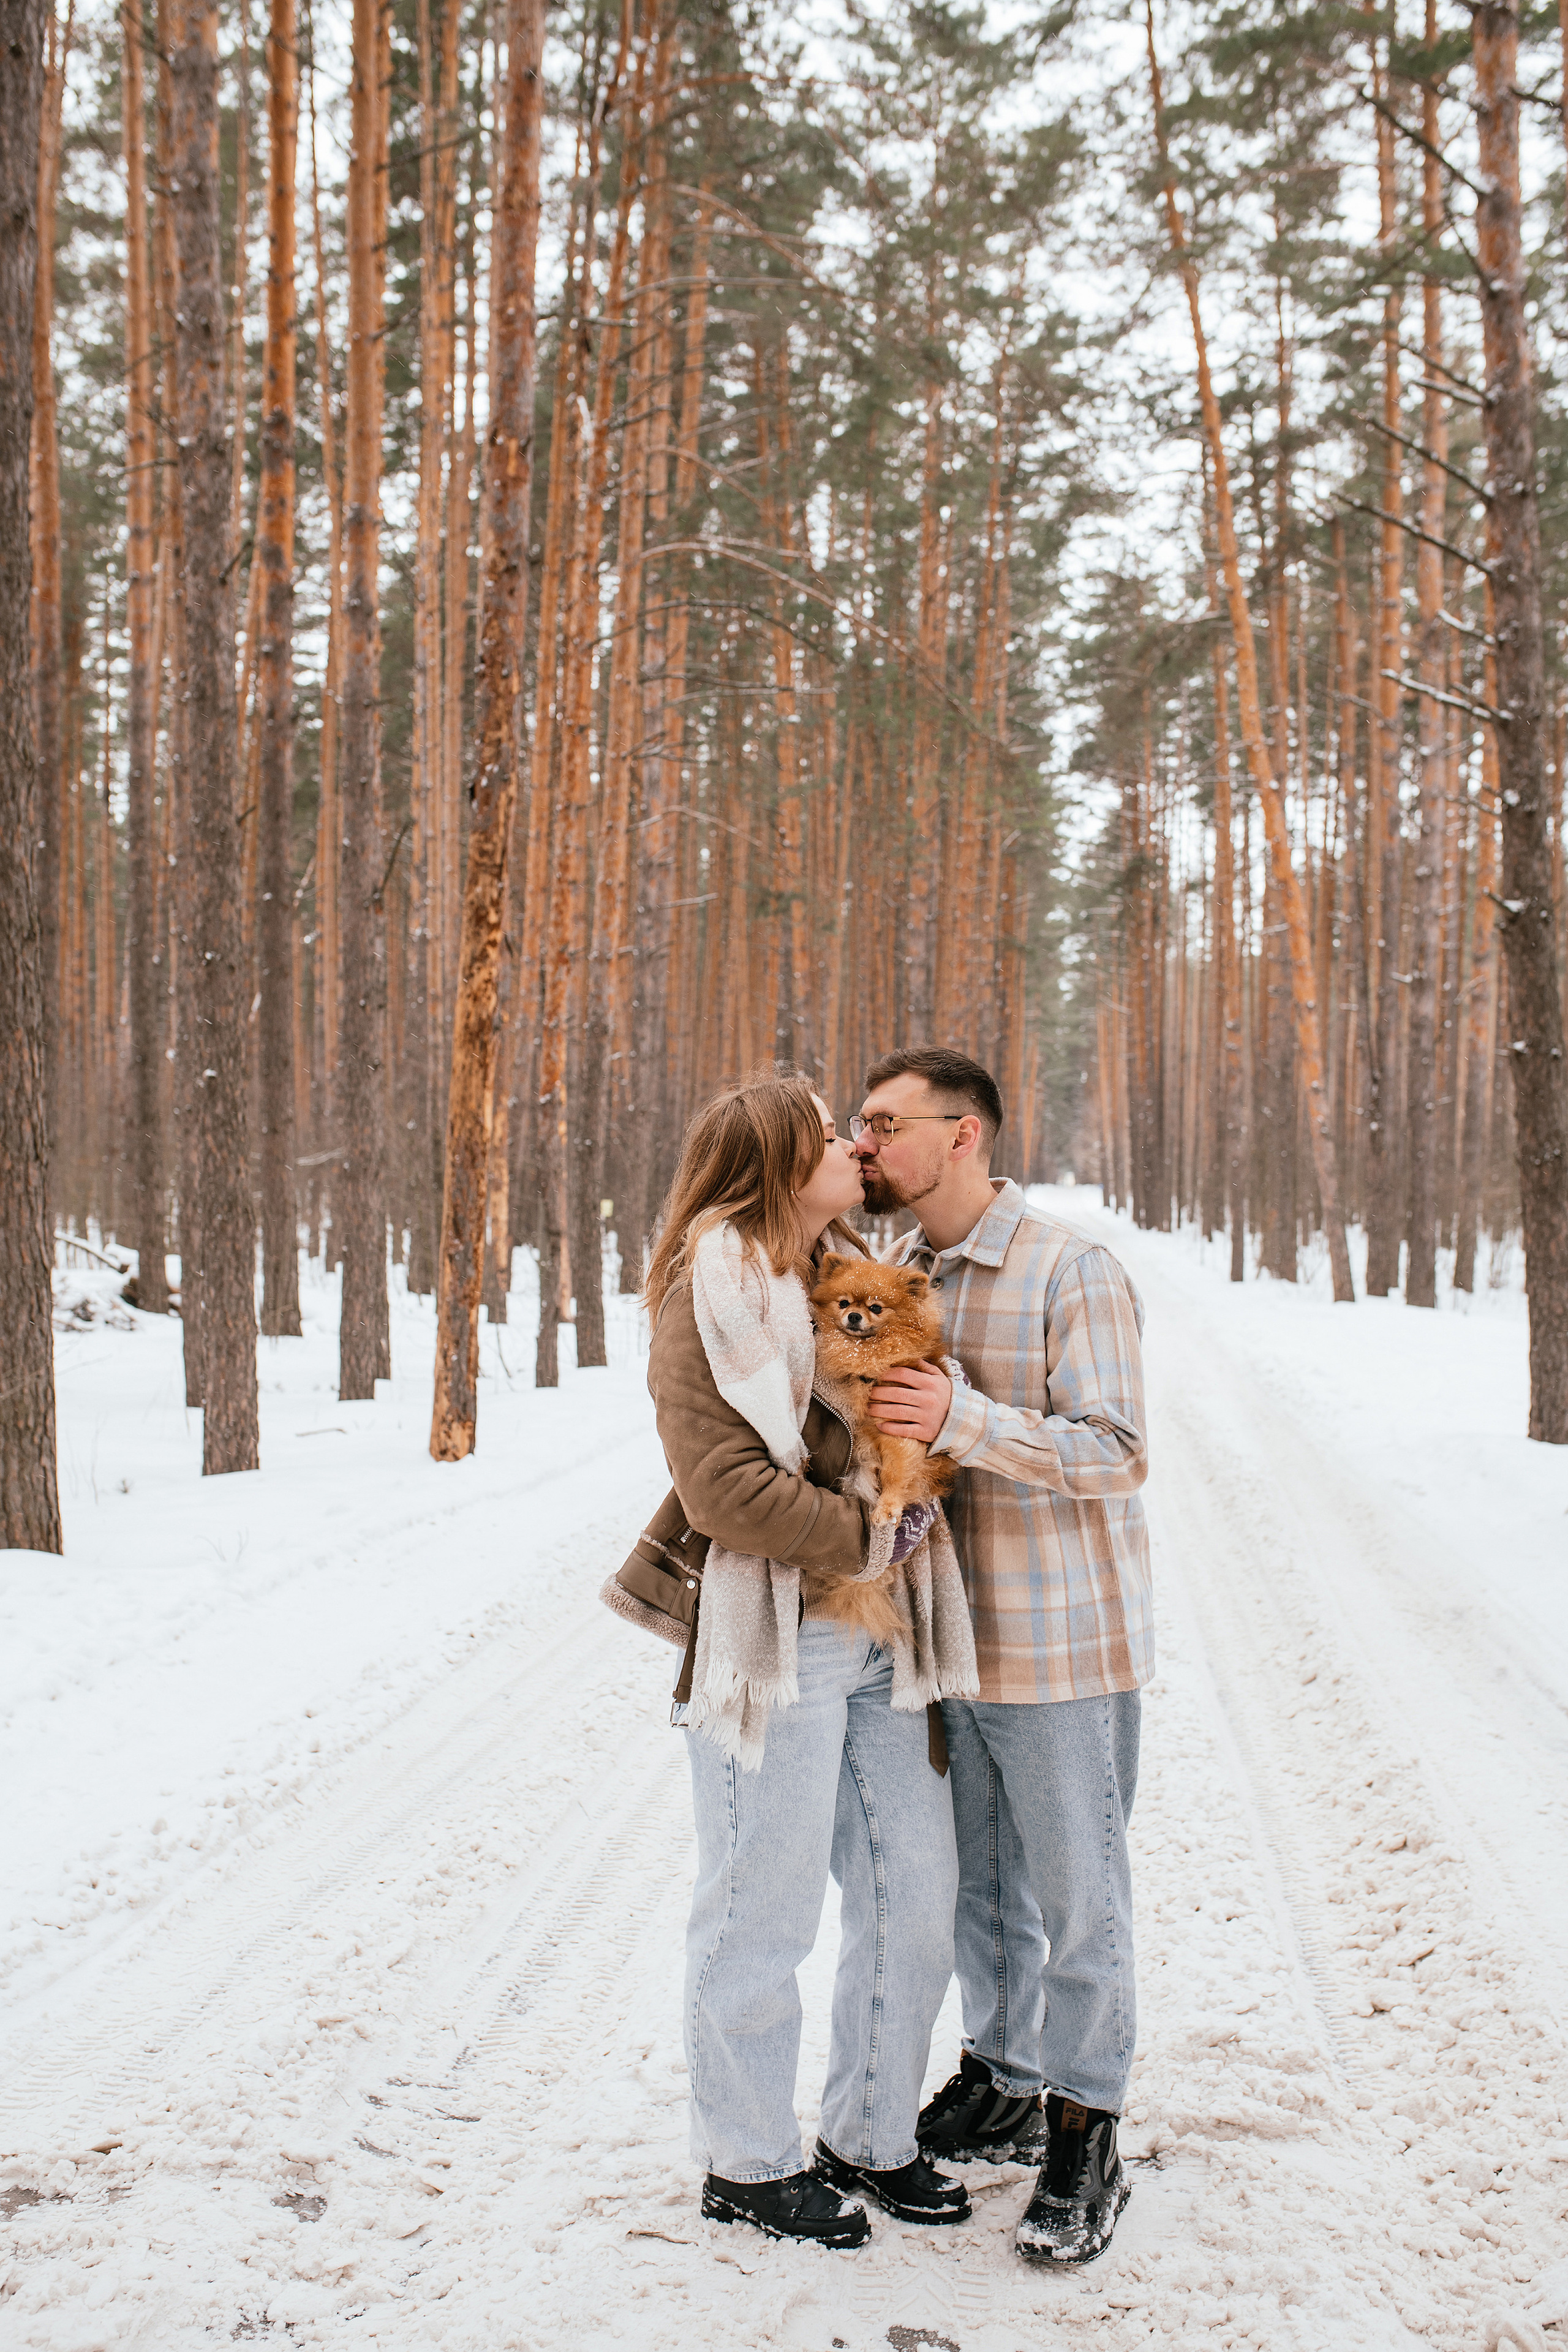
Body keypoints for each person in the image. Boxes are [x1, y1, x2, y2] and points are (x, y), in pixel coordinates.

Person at [639, 1069, 979, 2249]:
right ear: (782, 1163)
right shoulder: (710, 1295)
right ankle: (745, 2162)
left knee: (913, 1890)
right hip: (778, 1634)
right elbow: (723, 1490)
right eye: (833, 1134)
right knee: (759, 1907)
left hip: (887, 1634)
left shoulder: (844, 1272)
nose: (853, 1144)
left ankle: (871, 2130)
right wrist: (866, 1534)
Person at [854, 1044, 1152, 2269]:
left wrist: (959, 1421)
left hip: (1056, 1647)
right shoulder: (901, 1267)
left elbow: (1116, 1450)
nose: (862, 1143)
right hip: (946, 1645)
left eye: (882, 1123)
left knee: (1077, 1901)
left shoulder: (1068, 1271)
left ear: (961, 1134)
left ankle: (1088, 2133)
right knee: (977, 1893)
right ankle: (1006, 2077)